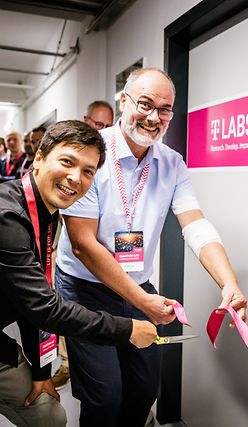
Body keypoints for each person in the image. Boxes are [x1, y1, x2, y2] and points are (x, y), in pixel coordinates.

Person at [55, 68, 247, 427]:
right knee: (104, 395)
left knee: (144, 390)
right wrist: (143, 302)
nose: (154, 117)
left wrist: (229, 282)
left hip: (137, 287)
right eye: (145, 104)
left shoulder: (171, 163)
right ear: (123, 101)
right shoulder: (89, 154)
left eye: (165, 109)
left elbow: (196, 225)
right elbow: (82, 244)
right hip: (85, 289)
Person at [0, 120, 157, 427]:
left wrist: (41, 373)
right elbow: (45, 308)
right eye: (67, 162)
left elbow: (31, 303)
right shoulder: (8, 216)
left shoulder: (46, 211)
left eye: (88, 171)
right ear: (40, 158)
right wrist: (128, 329)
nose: (76, 178)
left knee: (48, 414)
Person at [52, 102, 114, 390]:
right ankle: (64, 363)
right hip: (75, 271)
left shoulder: (101, 169)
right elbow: (80, 243)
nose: (102, 133)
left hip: (106, 275)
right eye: (97, 125)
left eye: (106, 127)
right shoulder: (73, 178)